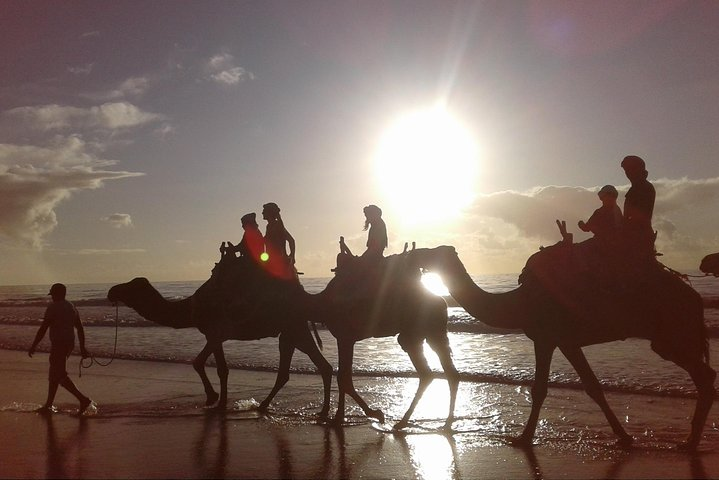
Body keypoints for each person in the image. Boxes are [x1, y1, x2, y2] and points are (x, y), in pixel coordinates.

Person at [28, 283, 93, 414]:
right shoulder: (71, 306)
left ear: (56, 294)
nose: (51, 297)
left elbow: (43, 328)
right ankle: (48, 405)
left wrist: (34, 345)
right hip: (69, 343)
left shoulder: (53, 307)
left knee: (60, 374)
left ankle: (83, 399)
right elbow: (79, 328)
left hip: (59, 344)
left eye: (52, 294)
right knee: (54, 374)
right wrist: (82, 347)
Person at [621, 155, 656, 258]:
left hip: (638, 238)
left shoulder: (643, 188)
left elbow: (639, 215)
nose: (627, 173)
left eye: (629, 169)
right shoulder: (638, 187)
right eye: (626, 170)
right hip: (635, 236)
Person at [262, 202, 296, 280]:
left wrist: (292, 256)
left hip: (279, 261)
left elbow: (291, 240)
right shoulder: (269, 226)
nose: (262, 213)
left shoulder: (278, 225)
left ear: (270, 213)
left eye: (264, 211)